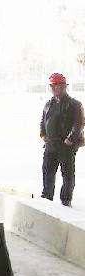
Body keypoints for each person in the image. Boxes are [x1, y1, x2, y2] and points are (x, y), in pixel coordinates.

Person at [40, 73, 84, 207]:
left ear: (64, 86)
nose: (54, 88)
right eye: (52, 86)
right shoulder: (49, 104)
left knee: (67, 173)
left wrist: (70, 138)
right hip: (51, 145)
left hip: (66, 146)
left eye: (57, 85)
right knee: (47, 171)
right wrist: (43, 134)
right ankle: (47, 196)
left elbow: (79, 123)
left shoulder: (74, 104)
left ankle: (66, 199)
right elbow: (43, 121)